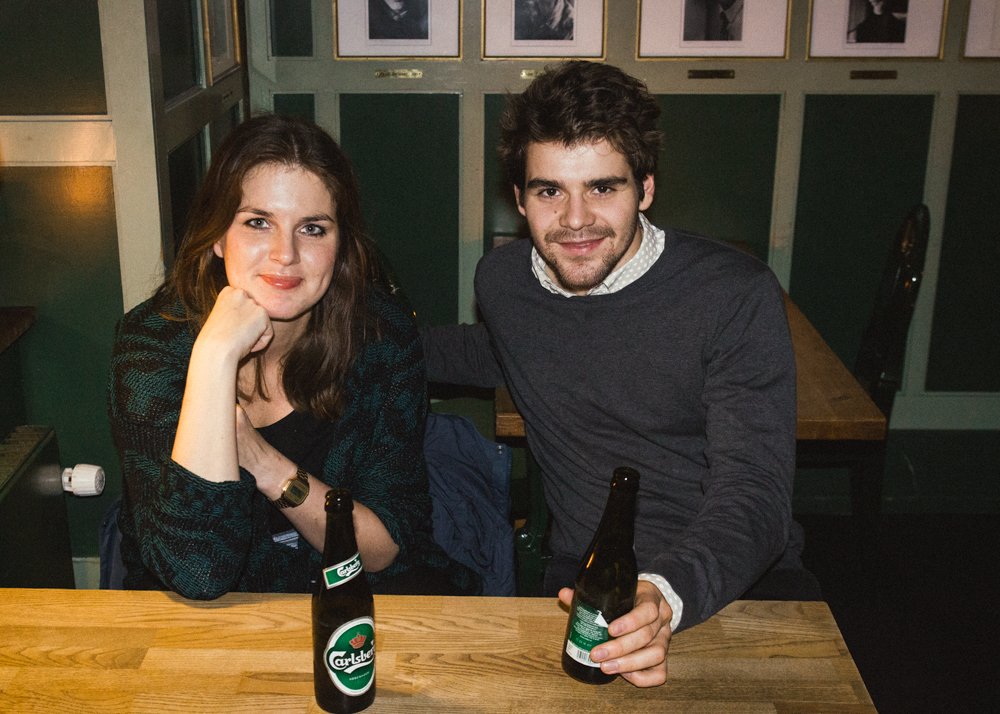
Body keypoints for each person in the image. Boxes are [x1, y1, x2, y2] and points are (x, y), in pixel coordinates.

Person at [421, 61, 819, 687]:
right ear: (519, 199)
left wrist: (667, 592)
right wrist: (332, 339)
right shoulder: (503, 283)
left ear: (646, 189)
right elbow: (491, 353)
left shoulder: (733, 295)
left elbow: (757, 493)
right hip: (582, 584)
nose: (576, 219)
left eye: (603, 188)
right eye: (549, 191)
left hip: (732, 576)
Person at [108, 114, 478, 600]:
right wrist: (214, 359)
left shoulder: (380, 337)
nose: (285, 254)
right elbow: (197, 574)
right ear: (217, 235)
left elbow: (385, 547)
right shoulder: (152, 347)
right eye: (258, 223)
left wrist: (263, 463)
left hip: (354, 595)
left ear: (340, 244)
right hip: (206, 618)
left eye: (313, 229)